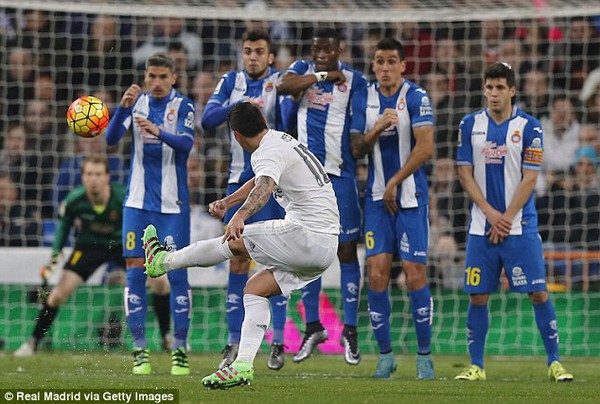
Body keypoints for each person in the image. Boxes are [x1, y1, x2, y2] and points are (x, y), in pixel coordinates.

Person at [143, 102, 340, 389]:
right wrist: (229, 201)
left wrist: (240, 215)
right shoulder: (279, 140)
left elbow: (264, 186)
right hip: (324, 248)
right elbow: (257, 180)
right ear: (262, 119)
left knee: (233, 242)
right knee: (255, 289)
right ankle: (243, 366)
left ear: (235, 136)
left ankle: (163, 261)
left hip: (306, 235)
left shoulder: (266, 151)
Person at [454, 61, 573, 382]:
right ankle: (476, 365)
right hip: (482, 226)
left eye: (499, 88)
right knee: (478, 295)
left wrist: (505, 218)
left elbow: (530, 178)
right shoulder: (469, 125)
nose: (493, 94)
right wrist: (491, 214)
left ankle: (554, 362)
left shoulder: (530, 126)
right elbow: (464, 172)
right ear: (484, 89)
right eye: (489, 87)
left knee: (538, 293)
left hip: (520, 226)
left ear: (512, 90)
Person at [276, 27, 368, 365]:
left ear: (340, 48)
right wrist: (320, 73)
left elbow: (358, 127)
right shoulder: (303, 69)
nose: (321, 53)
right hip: (304, 178)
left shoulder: (355, 80)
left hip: (340, 176)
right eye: (317, 49)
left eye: (327, 50)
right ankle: (313, 326)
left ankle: (351, 330)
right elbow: (282, 86)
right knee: (306, 250)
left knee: (345, 251)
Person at [201, 30, 289, 371]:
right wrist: (238, 106)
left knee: (275, 263)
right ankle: (233, 342)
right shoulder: (230, 82)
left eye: (259, 52)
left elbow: (289, 125)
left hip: (273, 182)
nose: (252, 57)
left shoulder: (280, 83)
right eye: (248, 51)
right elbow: (208, 120)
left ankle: (278, 340)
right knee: (236, 260)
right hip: (239, 179)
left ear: (270, 57)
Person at [104, 52, 195, 375]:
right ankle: (140, 350)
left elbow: (186, 145)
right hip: (137, 203)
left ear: (174, 79)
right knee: (134, 269)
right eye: (151, 76)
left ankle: (179, 349)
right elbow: (111, 139)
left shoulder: (183, 106)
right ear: (145, 76)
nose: (156, 82)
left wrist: (157, 131)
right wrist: (123, 110)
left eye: (162, 77)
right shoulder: (137, 103)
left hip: (173, 206)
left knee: (177, 272)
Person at [351, 38, 435, 379]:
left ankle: (425, 356)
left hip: (411, 199)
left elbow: (426, 147)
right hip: (376, 201)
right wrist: (377, 128)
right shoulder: (364, 97)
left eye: (391, 61)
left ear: (403, 66)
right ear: (373, 65)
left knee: (415, 275)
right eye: (379, 61)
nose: (385, 67)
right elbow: (356, 147)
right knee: (376, 274)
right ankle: (385, 356)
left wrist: (395, 181)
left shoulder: (416, 97)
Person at [13, 156, 126, 356]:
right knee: (57, 295)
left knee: (158, 283)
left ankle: (168, 339)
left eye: (98, 174)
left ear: (107, 177)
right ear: (82, 177)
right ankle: (32, 343)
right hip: (88, 247)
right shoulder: (74, 200)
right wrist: (53, 261)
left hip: (121, 245)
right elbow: (62, 231)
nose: (94, 179)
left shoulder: (122, 197)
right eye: (89, 174)